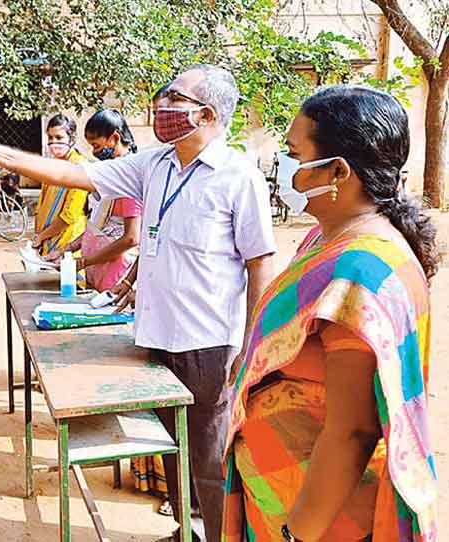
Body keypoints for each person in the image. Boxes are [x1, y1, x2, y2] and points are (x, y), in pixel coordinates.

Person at [0, 64, 277, 542]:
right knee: (174, 448)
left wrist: (251, 345)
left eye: (175, 98)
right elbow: (75, 172)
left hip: (210, 344)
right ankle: (185, 530)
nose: (162, 105)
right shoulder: (155, 164)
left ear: (207, 113)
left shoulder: (238, 178)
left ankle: (219, 536)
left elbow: (260, 265)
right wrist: (0, 155)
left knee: (209, 459)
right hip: (154, 336)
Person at [224, 86, 439, 542]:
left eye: (293, 153)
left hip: (322, 519)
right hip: (280, 490)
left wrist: (298, 533)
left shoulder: (361, 269)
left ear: (339, 171)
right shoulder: (325, 240)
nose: (285, 167)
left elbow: (353, 430)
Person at [47, 109, 142, 293]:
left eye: (97, 146)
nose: (94, 152)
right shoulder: (110, 173)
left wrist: (83, 262)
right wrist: (67, 250)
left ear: (115, 138)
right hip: (98, 272)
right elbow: (97, 227)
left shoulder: (129, 178)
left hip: (117, 275)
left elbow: (131, 238)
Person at [33, 114, 89, 257]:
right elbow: (40, 206)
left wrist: (41, 237)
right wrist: (38, 235)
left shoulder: (79, 167)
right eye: (50, 138)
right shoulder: (52, 166)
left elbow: (69, 215)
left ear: (72, 138)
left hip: (68, 243)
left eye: (59, 138)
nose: (53, 142)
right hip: (47, 243)